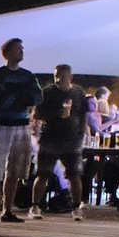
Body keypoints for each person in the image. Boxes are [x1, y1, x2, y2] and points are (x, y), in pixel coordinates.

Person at [0, 38, 42, 222]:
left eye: (22, 48)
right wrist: (22, 96)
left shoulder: (28, 76)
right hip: (2, 124)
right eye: (18, 49)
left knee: (15, 169)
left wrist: (16, 96)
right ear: (7, 53)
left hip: (21, 124)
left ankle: (7, 210)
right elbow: (1, 99)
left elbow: (37, 97)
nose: (21, 51)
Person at [32, 64, 89, 221]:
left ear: (70, 77)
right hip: (50, 139)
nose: (59, 79)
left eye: (63, 76)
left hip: (72, 140)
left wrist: (81, 134)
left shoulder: (78, 92)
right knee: (43, 173)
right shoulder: (47, 92)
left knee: (74, 174)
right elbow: (36, 114)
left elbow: (84, 114)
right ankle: (35, 206)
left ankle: (76, 208)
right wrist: (56, 113)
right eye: (56, 76)